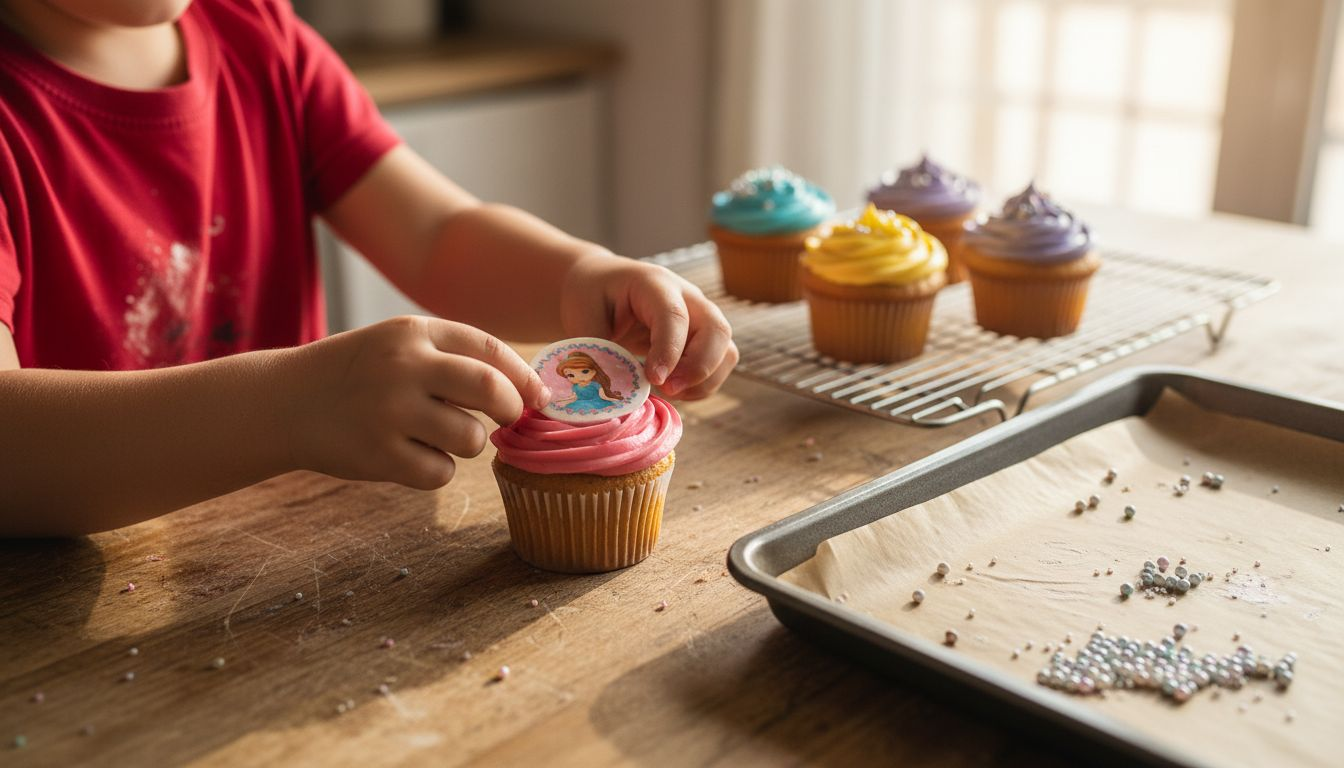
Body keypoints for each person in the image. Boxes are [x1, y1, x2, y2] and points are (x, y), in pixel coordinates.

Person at [0, 0, 738, 536]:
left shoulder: (261, 36)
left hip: (285, 547)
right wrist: (289, 407)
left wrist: (580, 277)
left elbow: (438, 235)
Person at [553, 352, 623, 412]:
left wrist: (613, 399)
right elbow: (573, 397)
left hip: (596, 402)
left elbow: (603, 396)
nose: (580, 377)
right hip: (579, 403)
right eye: (570, 375)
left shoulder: (595, 385)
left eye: (585, 371)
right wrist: (562, 400)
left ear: (594, 371)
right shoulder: (575, 387)